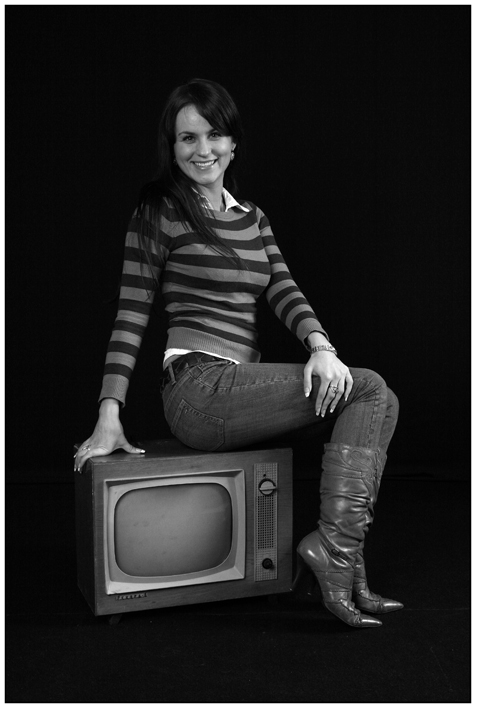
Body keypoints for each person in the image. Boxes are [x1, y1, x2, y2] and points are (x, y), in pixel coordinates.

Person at [74, 78, 402, 629]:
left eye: (214, 135)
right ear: (172, 147)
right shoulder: (159, 210)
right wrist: (110, 414)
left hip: (238, 387)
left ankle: (343, 559)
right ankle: (336, 555)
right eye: (187, 138)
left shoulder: (253, 217)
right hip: (197, 389)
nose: (202, 149)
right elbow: (131, 314)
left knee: (378, 400)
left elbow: (284, 289)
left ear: (233, 143)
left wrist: (321, 347)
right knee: (368, 387)